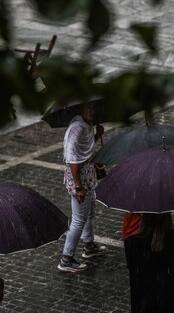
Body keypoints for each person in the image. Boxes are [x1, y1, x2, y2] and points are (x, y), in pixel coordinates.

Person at [57, 101, 107, 273]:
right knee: (78, 220)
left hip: (87, 175)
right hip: (80, 179)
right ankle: (66, 258)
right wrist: (78, 187)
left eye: (94, 108)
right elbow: (72, 159)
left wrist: (96, 135)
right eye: (89, 108)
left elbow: (84, 149)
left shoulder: (87, 124)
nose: (92, 111)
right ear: (80, 109)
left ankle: (89, 245)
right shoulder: (77, 129)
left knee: (90, 212)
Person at [124, 213, 174, 312]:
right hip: (169, 301)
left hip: (142, 302)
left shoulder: (131, 242)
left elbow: (132, 268)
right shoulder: (173, 238)